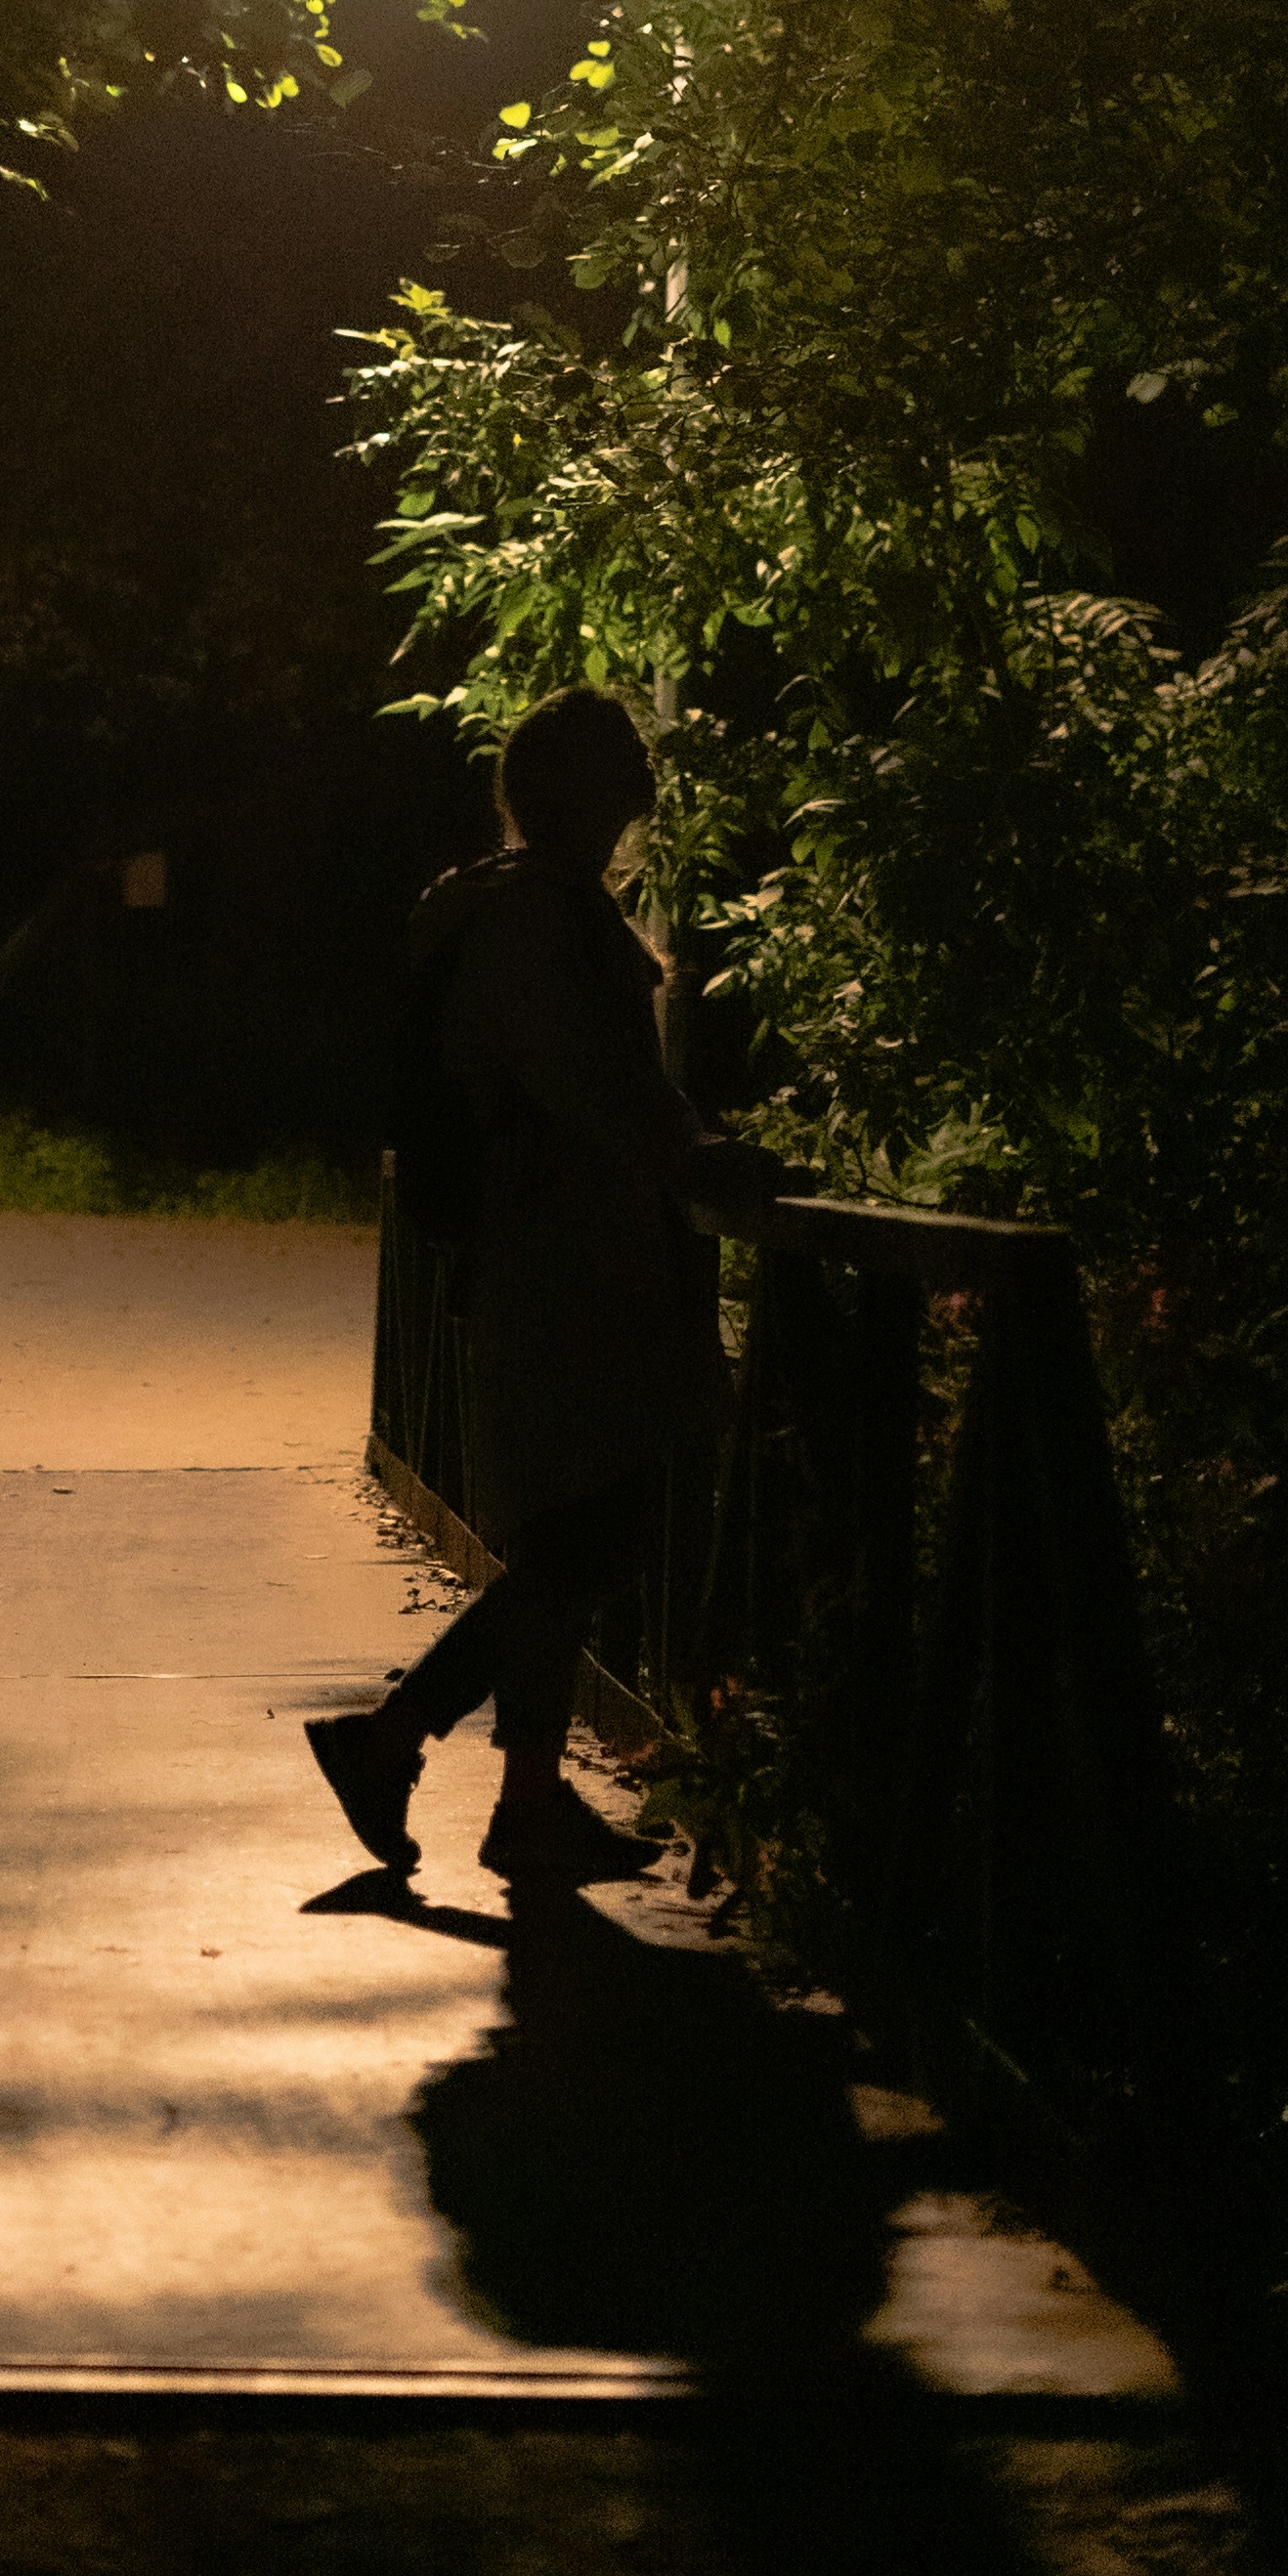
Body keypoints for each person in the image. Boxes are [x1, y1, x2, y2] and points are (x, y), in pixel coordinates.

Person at [306, 686, 772, 1883]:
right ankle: (400, 1738)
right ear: (584, 791)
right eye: (621, 773)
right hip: (563, 1263)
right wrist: (696, 1156)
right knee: (588, 1537)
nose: (637, 795)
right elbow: (582, 1082)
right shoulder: (538, 925)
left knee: (578, 1537)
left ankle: (518, 1798)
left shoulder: (523, 914)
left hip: (556, 1256)